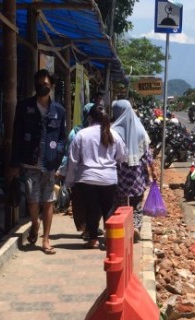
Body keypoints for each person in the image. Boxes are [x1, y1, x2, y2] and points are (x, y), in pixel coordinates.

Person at [11, 69, 67, 255]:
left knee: (48, 201)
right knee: (32, 200)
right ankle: (35, 225)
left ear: (51, 86)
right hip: (29, 162)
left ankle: (46, 238)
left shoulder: (59, 110)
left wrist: (57, 156)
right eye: (39, 84)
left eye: (45, 84)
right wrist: (14, 162)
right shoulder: (24, 106)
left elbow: (61, 138)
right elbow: (16, 135)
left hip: (49, 164)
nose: (42, 87)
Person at [65, 104, 127, 249]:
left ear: (90, 118)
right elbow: (123, 156)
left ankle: (93, 240)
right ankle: (111, 240)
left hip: (86, 179)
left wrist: (69, 181)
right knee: (108, 210)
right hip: (109, 178)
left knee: (91, 210)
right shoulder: (114, 134)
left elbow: (72, 160)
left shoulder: (81, 134)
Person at [111, 99, 157, 242]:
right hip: (137, 175)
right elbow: (148, 154)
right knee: (137, 203)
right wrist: (153, 171)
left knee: (120, 203)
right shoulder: (140, 130)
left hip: (120, 175)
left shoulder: (113, 131)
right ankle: (136, 226)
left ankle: (121, 229)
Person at [56, 102, 93, 237]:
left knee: (89, 202)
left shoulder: (97, 131)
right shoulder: (76, 132)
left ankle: (90, 227)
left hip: (89, 173)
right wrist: (63, 171)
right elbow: (68, 154)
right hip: (78, 173)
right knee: (79, 202)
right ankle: (85, 228)